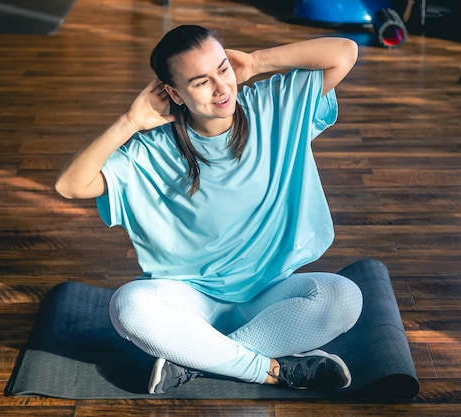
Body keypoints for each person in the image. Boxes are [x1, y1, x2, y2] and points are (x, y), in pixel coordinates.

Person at [55, 24, 363, 395]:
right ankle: (272, 370)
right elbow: (70, 185)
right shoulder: (151, 149)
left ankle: (195, 360)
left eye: (222, 68)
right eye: (201, 82)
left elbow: (344, 52)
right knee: (129, 309)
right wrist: (130, 122)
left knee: (344, 298)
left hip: (272, 294)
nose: (221, 88)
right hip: (190, 300)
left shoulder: (272, 103)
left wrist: (254, 62)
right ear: (175, 93)